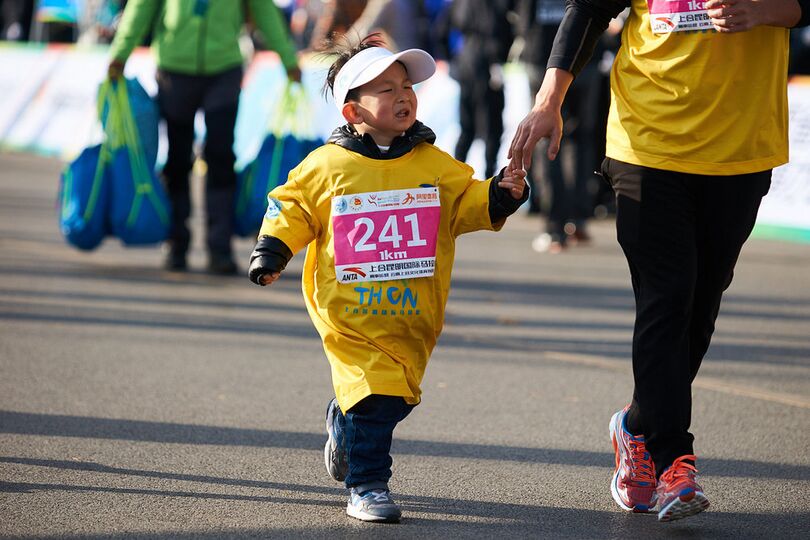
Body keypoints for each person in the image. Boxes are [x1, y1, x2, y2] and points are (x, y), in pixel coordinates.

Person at [508, 0, 809, 523]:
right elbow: (589, 11)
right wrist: (549, 99)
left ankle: (636, 424)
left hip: (742, 144)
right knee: (667, 296)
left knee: (700, 303)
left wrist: (765, 10)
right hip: (646, 143)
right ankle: (674, 462)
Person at [247, 34, 528, 522]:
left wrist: (500, 194)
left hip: (411, 315)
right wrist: (272, 251)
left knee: (393, 400)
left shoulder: (434, 166)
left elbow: (465, 204)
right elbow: (291, 205)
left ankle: (343, 423)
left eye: (406, 86)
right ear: (353, 112)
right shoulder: (328, 165)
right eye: (386, 90)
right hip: (350, 316)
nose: (403, 97)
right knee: (373, 401)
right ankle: (368, 485)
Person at [107, 0, 301, 274]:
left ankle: (219, 246)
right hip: (174, 68)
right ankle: (177, 241)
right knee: (177, 159)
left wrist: (288, 58)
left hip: (224, 69)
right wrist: (119, 54)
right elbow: (141, 8)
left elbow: (264, 10)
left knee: (221, 156)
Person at [449, 0, 514, 178]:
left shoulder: (460, 3)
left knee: (468, 129)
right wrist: (497, 60)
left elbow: (444, 27)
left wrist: (453, 60)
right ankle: (486, 179)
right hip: (485, 68)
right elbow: (497, 29)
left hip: (467, 64)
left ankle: (456, 177)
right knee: (491, 129)